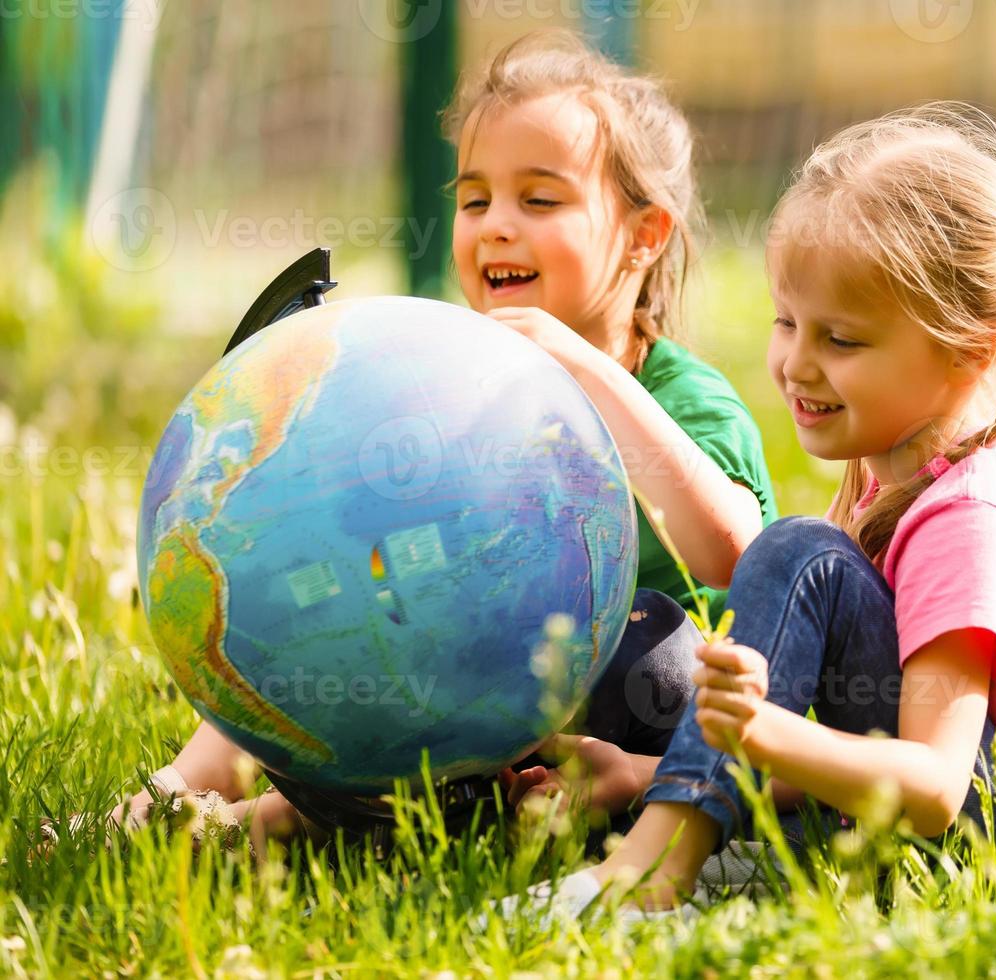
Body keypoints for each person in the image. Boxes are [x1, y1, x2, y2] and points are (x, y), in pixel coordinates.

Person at [100, 30, 779, 853]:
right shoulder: (457, 394)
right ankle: (172, 795)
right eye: (474, 199)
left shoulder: (685, 398)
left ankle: (262, 827)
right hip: (464, 688)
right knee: (325, 634)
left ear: (644, 236)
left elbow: (734, 553)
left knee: (654, 633)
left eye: (539, 200)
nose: (496, 226)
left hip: (622, 720)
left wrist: (584, 372)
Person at [500, 102, 996, 922]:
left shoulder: (971, 519)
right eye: (786, 322)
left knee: (798, 552)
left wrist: (760, 733)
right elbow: (873, 754)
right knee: (798, 556)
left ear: (973, 351)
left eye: (842, 340)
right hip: (975, 829)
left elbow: (930, 787)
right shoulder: (881, 476)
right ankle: (682, 847)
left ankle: (651, 877)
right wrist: (644, 772)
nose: (795, 364)